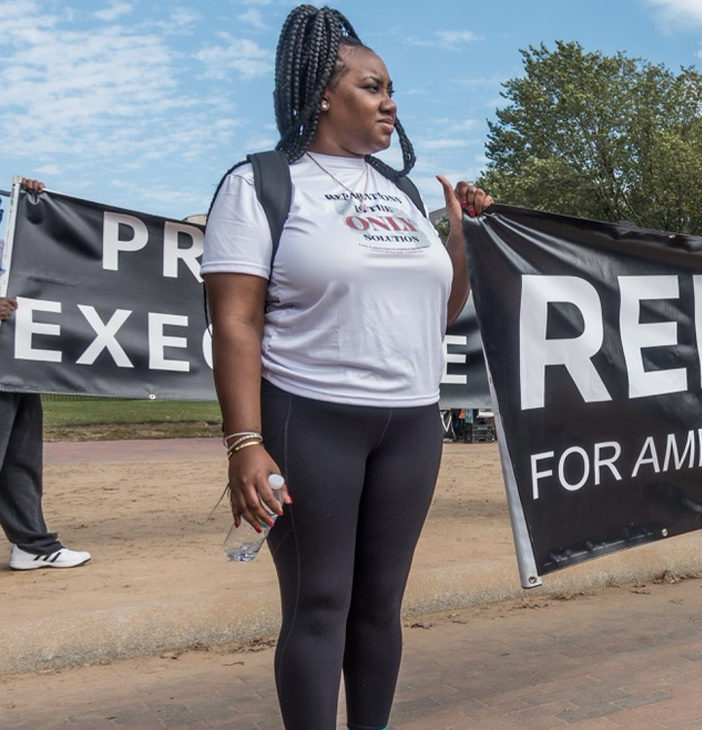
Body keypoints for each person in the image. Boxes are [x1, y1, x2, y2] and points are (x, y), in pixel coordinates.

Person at [201, 7, 492, 730]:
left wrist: (460, 237)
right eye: (371, 86)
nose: (390, 100)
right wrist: (245, 442)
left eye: (391, 87)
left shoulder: (401, 191)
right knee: (320, 602)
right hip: (309, 418)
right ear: (324, 94)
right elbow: (234, 321)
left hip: (410, 426)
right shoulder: (261, 184)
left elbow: (441, 311)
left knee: (379, 605)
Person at [0, 172, 91, 590]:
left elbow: (38, 261)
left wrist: (32, 204)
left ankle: (32, 545)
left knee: (20, 466)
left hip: (15, 369)